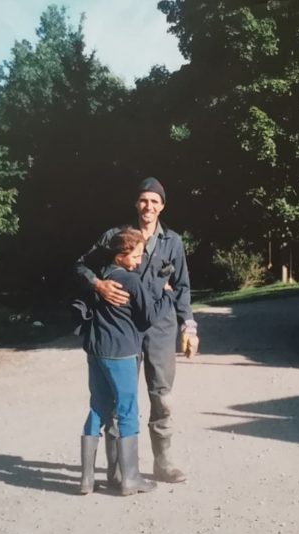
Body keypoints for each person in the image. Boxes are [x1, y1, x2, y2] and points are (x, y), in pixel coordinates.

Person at [74, 177, 198, 485]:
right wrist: (98, 285)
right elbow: (81, 266)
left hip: (160, 327)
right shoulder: (114, 237)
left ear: (162, 206)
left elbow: (181, 287)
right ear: (136, 203)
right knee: (117, 397)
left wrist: (190, 326)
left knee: (161, 394)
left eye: (155, 201)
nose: (149, 206)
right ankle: (118, 468)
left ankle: (163, 462)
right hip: (122, 329)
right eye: (144, 200)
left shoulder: (173, 241)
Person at [79, 226, 173, 496]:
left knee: (98, 407)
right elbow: (148, 317)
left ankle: (86, 479)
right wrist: (166, 292)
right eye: (136, 255)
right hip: (121, 351)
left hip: (96, 350)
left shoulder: (102, 277)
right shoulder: (130, 280)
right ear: (120, 255)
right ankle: (130, 479)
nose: (140, 260)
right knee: (127, 409)